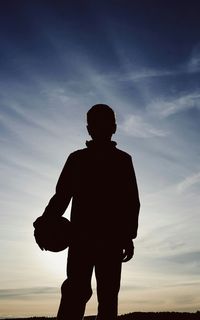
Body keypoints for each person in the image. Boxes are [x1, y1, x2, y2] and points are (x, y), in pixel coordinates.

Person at [35, 104, 140, 320]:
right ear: (114, 128)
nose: (100, 129)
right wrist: (45, 223)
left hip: (97, 240)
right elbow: (62, 197)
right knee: (94, 296)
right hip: (94, 240)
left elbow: (130, 202)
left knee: (97, 296)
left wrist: (128, 236)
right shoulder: (93, 160)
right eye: (97, 124)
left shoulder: (93, 160)